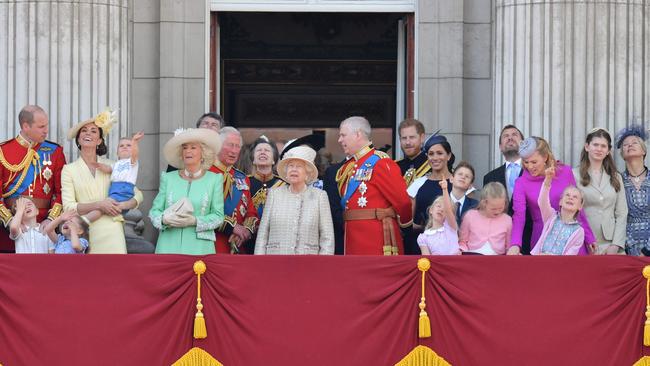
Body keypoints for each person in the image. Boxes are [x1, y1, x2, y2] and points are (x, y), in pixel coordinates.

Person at [61, 109, 143, 254]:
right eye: (84, 131)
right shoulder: (69, 170)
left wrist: (122, 204)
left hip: (112, 230)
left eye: (93, 131)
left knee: (115, 275)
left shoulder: (113, 165)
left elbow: (137, 194)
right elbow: (68, 207)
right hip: (84, 232)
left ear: (99, 140)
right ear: (78, 139)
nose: (88, 133)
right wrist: (100, 204)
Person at [336, 116, 412, 255]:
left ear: (358, 134)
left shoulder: (381, 162)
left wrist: (406, 227)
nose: (340, 140)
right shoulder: (349, 166)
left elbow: (402, 201)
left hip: (376, 241)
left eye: (343, 135)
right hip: (352, 240)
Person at [507, 137, 595, 255]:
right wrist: (515, 244)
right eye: (526, 162)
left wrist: (589, 237)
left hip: (572, 238)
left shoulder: (565, 172)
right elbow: (519, 216)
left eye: (534, 162)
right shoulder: (521, 183)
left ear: (545, 157)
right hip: (542, 240)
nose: (529, 167)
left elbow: (577, 206)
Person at [0, 105, 66, 253]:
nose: (46, 130)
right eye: (41, 126)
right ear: (25, 126)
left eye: (46, 125)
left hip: (44, 228)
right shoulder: (3, 151)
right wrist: (10, 221)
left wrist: (51, 220)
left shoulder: (55, 151)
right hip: (9, 231)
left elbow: (62, 191)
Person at [149, 128, 224, 255]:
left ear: (203, 153)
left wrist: (195, 221)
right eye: (184, 148)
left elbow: (218, 217)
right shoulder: (168, 178)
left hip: (200, 249)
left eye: (193, 147)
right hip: (168, 247)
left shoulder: (214, 179)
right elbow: (154, 212)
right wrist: (164, 219)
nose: (188, 151)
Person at [255, 145, 334, 255]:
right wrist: (260, 264)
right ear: (286, 172)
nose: (294, 169)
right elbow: (263, 235)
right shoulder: (274, 194)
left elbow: (327, 238)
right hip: (275, 261)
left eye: (299, 166)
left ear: (307, 173)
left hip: (308, 263)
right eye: (290, 166)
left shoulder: (319, 196)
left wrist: (322, 267)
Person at [573, 128, 627, 255]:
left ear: (608, 151)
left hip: (611, 244)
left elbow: (622, 213)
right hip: (584, 242)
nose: (599, 149)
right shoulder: (574, 174)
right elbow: (573, 212)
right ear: (587, 147)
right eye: (595, 144)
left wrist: (616, 244)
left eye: (603, 146)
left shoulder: (616, 177)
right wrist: (586, 240)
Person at [483, 124, 533, 251]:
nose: (510, 138)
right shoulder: (489, 177)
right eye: (506, 136)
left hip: (530, 239)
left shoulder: (534, 172)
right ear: (500, 146)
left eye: (514, 135)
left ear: (523, 144)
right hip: (499, 242)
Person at [211, 127, 259, 254]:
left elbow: (251, 213)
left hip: (235, 247)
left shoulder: (242, 178)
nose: (234, 151)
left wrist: (245, 231)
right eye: (230, 145)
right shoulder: (205, 174)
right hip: (211, 244)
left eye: (237, 146)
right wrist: (231, 227)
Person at [84, 132, 144, 222]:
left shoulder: (132, 162)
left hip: (124, 188)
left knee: (105, 206)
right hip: (114, 189)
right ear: (117, 152)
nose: (125, 147)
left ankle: (86, 220)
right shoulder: (116, 164)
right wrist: (97, 164)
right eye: (121, 146)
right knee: (114, 206)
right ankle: (118, 214)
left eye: (128, 145)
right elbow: (108, 169)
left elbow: (135, 153)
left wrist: (134, 141)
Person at [530, 167, 585, 255]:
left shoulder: (579, 231)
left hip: (559, 266)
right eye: (567, 195)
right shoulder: (551, 216)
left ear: (580, 206)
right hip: (539, 259)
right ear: (560, 202)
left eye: (575, 197)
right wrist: (547, 180)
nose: (570, 198)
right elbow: (542, 201)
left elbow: (570, 256)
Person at [408, 133, 454, 232]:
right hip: (421, 243)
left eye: (440, 153)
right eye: (431, 154)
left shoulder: (458, 183)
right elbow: (408, 221)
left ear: (449, 156)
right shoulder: (417, 184)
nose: (435, 158)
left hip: (452, 244)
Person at [615, 124, 650, 256]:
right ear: (622, 154)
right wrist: (630, 246)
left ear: (644, 151)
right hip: (627, 246)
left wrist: (647, 250)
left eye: (634, 142)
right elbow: (617, 216)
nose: (629, 145)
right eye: (625, 144)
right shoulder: (617, 180)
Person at [459, 182, 511, 255]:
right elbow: (462, 241)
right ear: (484, 203)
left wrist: (512, 253)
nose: (497, 211)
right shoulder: (470, 216)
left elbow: (509, 246)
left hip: (497, 260)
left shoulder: (507, 220)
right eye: (493, 209)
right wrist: (461, 251)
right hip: (473, 257)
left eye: (501, 208)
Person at [416, 179, 460, 255]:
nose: (441, 209)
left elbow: (448, 209)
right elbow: (426, 259)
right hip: (437, 266)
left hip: (454, 264)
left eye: (444, 209)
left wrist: (445, 189)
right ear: (431, 210)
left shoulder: (450, 227)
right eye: (438, 206)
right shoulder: (423, 237)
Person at [248, 136, 285, 219]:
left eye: (267, 150)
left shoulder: (283, 185)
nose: (262, 152)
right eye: (259, 150)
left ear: (273, 160)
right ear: (253, 159)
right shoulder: (245, 182)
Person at [396, 119, 429, 187]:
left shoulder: (432, 165)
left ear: (422, 138)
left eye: (412, 137)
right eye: (404, 138)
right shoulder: (395, 166)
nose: (407, 142)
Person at [449, 161, 479, 226]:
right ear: (451, 178)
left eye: (467, 176)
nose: (463, 177)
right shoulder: (441, 202)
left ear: (470, 185)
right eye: (460, 174)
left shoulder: (476, 206)